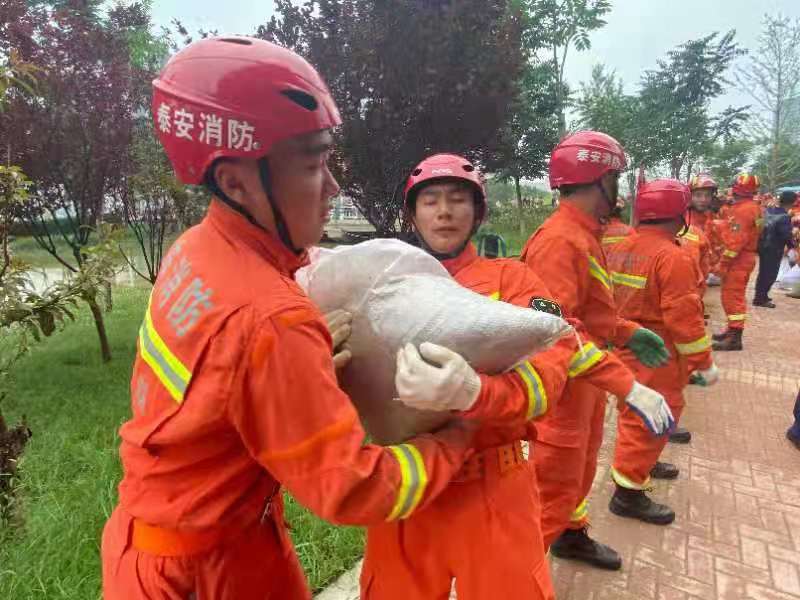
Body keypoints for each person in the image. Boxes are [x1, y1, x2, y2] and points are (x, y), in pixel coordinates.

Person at [100, 37, 483, 600]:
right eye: (312, 165)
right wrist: (460, 435)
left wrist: (288, 366)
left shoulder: (196, 250)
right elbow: (354, 490)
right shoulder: (271, 320)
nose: (332, 188)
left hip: (172, 539)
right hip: (203, 575)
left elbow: (216, 376)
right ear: (234, 182)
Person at [359, 154, 672, 598]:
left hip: (493, 486)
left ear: (477, 212)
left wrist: (477, 391)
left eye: (456, 200)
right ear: (412, 214)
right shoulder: (380, 282)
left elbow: (558, 346)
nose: (444, 211)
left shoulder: (515, 280)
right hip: (409, 485)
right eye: (430, 201)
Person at [521, 131, 672, 570]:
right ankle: (520, 577)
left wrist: (625, 332)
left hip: (585, 383)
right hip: (563, 389)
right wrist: (628, 385)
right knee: (552, 488)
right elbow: (555, 332)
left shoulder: (584, 234)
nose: (620, 189)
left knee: (578, 472)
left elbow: (588, 312)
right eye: (616, 178)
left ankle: (571, 536)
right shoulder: (560, 241)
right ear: (599, 178)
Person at [606, 178, 719, 523]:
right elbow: (685, 320)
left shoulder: (621, 245)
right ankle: (628, 493)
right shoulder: (673, 256)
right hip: (657, 352)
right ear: (680, 213)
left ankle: (645, 464)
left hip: (626, 345)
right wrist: (703, 364)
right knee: (647, 418)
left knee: (637, 414)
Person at [712, 173, 764, 351]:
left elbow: (735, 242)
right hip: (744, 257)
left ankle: (735, 337)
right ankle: (731, 331)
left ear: (737, 188)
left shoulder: (744, 210)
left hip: (738, 259)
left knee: (732, 297)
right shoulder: (752, 207)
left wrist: (723, 263)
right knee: (732, 296)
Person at [754, 191, 795, 307]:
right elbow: (786, 235)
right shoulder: (785, 217)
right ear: (791, 203)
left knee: (763, 272)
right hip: (774, 248)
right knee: (770, 274)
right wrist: (792, 247)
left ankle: (761, 295)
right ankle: (760, 299)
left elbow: (760, 224)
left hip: (762, 246)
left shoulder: (769, 211)